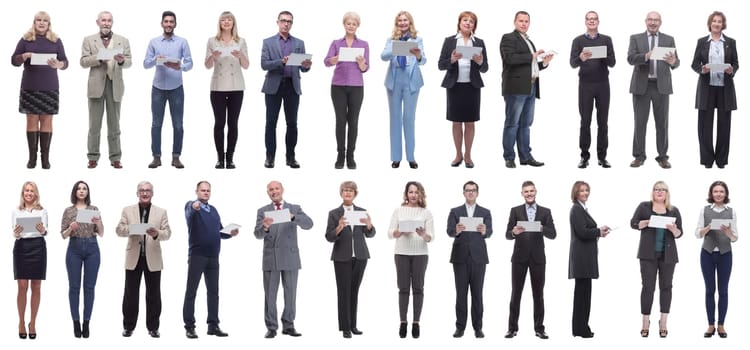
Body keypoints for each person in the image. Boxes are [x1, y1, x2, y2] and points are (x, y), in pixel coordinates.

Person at [254, 181, 313, 339]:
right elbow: (257, 234)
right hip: (271, 257)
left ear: (282, 190)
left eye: (276, 188)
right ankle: (271, 326)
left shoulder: (294, 208)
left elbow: (309, 224)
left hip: (290, 256)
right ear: (268, 193)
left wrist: (294, 217)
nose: (274, 191)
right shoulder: (263, 211)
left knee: (290, 293)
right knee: (270, 295)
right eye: (271, 190)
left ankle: (289, 324)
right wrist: (265, 227)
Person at [115, 181, 172, 338]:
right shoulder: (127, 210)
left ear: (152, 193)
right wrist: (133, 228)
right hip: (134, 257)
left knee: (154, 294)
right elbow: (119, 230)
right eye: (142, 190)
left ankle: (153, 327)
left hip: (152, 257)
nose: (145, 193)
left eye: (148, 190)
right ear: (137, 193)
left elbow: (167, 233)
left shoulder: (161, 212)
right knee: (130, 294)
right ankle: (128, 326)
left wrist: (156, 233)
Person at [12, 11, 68, 170]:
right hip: (30, 85)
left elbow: (65, 61)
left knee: (47, 120)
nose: (41, 23)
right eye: (38, 20)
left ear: (49, 24)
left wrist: (59, 65)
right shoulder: (26, 39)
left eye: (45, 21)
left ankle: (45, 158)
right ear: (34, 22)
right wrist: (24, 56)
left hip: (49, 86)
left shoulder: (56, 41)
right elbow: (13, 60)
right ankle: (32, 158)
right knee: (31, 119)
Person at [182, 181, 239, 339]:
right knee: (191, 291)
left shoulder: (213, 210)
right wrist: (194, 206)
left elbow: (219, 231)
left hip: (214, 256)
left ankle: (213, 325)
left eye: (208, 190)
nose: (206, 193)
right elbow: (190, 211)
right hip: (197, 256)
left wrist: (230, 233)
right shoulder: (191, 205)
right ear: (197, 191)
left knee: (213, 292)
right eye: (203, 190)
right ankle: (189, 326)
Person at [500, 11, 553, 169]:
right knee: (512, 124)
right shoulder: (508, 38)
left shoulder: (529, 41)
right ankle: (509, 157)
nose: (524, 24)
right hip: (515, 88)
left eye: (526, 21)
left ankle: (526, 157)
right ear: (515, 22)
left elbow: (530, 66)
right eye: (521, 21)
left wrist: (544, 63)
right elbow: (509, 58)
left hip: (531, 86)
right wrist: (532, 56)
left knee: (526, 124)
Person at [630, 180, 683, 338]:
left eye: (663, 190)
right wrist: (643, 223)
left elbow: (680, 233)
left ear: (667, 193)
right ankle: (645, 321)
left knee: (666, 287)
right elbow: (633, 223)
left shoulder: (673, 210)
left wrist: (674, 230)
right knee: (648, 287)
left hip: (668, 256)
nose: (659, 192)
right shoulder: (644, 206)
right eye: (656, 189)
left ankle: (663, 321)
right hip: (648, 255)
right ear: (653, 192)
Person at [627, 11, 679, 169]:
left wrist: (673, 61)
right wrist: (645, 56)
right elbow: (630, 58)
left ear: (660, 22)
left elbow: (676, 62)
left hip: (661, 86)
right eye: (650, 19)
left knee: (662, 123)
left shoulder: (668, 39)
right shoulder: (635, 38)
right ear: (645, 21)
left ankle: (662, 157)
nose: (653, 22)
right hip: (641, 86)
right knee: (640, 123)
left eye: (656, 20)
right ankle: (639, 156)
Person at [504, 181, 556, 339]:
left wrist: (541, 228)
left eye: (531, 191)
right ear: (522, 194)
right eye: (526, 191)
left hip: (538, 259)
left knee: (538, 295)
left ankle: (539, 328)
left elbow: (553, 234)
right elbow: (507, 234)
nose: (529, 193)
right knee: (516, 294)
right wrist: (513, 232)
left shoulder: (545, 212)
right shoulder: (515, 211)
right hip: (519, 258)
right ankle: (512, 328)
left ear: (536, 192)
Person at [80, 11, 132, 169]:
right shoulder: (89, 40)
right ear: (97, 22)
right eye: (103, 20)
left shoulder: (123, 40)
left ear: (112, 22)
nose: (106, 23)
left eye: (109, 20)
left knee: (114, 124)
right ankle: (92, 157)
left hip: (115, 85)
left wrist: (122, 61)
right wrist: (99, 58)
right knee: (94, 125)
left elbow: (129, 61)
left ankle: (115, 157)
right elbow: (83, 62)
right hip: (96, 86)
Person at [261, 10, 312, 169]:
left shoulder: (299, 43)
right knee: (271, 123)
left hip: (292, 85)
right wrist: (281, 62)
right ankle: (270, 157)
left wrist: (306, 66)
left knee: (292, 123)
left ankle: (291, 157)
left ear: (292, 24)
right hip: (273, 86)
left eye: (289, 21)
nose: (286, 24)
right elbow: (264, 65)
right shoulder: (268, 42)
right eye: (283, 20)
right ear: (277, 22)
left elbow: (303, 68)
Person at [325, 181, 376, 338]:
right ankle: (345, 327)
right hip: (342, 257)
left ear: (355, 194)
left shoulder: (361, 211)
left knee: (354, 291)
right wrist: (339, 227)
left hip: (360, 256)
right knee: (344, 291)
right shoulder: (334, 213)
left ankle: (353, 325)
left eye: (351, 191)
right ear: (341, 193)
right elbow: (329, 237)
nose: (348, 193)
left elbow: (371, 234)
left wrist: (369, 225)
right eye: (345, 190)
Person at [438, 11, 488, 169]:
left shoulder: (479, 42)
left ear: (474, 25)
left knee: (470, 121)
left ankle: (468, 155)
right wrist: (452, 60)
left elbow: (486, 68)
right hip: (455, 86)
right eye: (465, 20)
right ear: (459, 23)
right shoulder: (450, 41)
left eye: (471, 21)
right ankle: (458, 154)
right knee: (456, 122)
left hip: (472, 86)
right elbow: (440, 64)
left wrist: (480, 61)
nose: (468, 23)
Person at [144, 10, 193, 169]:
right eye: (166, 21)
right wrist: (155, 60)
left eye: (171, 22)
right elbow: (145, 64)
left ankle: (176, 157)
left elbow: (190, 63)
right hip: (158, 88)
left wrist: (181, 66)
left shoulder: (182, 42)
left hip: (176, 88)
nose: (169, 24)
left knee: (178, 124)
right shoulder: (154, 42)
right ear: (162, 24)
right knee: (156, 124)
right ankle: (156, 157)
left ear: (175, 24)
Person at [691, 11, 739, 169]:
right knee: (705, 126)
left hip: (725, 89)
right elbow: (694, 63)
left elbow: (736, 63)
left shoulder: (731, 42)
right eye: (714, 21)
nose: (717, 24)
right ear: (710, 24)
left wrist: (731, 70)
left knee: (724, 126)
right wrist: (702, 69)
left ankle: (721, 161)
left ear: (723, 24)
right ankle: (707, 160)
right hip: (707, 88)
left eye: (720, 21)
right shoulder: (702, 42)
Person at [387, 181, 434, 338]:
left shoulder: (426, 213)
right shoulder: (398, 210)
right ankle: (403, 322)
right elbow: (389, 232)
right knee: (403, 288)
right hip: (401, 253)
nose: (413, 195)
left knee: (418, 288)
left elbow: (431, 237)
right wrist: (399, 231)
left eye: (416, 192)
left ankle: (416, 323)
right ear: (406, 194)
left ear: (421, 194)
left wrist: (423, 235)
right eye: (411, 192)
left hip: (420, 254)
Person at [569, 11, 615, 169]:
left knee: (603, 122)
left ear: (598, 21)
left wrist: (602, 55)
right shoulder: (578, 40)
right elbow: (572, 63)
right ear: (585, 22)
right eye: (589, 19)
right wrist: (581, 58)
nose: (592, 21)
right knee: (585, 122)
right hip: (586, 85)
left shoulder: (606, 40)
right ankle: (584, 157)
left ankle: (602, 157)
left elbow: (613, 62)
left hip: (603, 84)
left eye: (594, 19)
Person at [447, 180, 492, 338]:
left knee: (477, 294)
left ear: (477, 193)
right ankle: (460, 327)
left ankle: (478, 327)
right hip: (460, 257)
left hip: (478, 257)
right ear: (464, 193)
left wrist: (485, 231)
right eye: (467, 190)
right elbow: (449, 230)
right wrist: (456, 230)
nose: (470, 192)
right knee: (461, 293)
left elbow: (490, 231)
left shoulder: (485, 212)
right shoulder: (455, 211)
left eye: (473, 190)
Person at [325, 12, 370, 170]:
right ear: (344, 25)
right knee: (340, 120)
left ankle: (351, 155)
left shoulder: (363, 44)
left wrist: (361, 63)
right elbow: (326, 62)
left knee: (353, 120)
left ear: (358, 26)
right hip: (338, 86)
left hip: (357, 86)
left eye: (354, 24)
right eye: (348, 23)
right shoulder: (336, 43)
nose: (351, 26)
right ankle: (340, 154)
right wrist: (335, 59)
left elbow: (365, 68)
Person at [381, 11, 425, 169]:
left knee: (408, 118)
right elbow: (383, 56)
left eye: (405, 20)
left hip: (411, 81)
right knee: (395, 119)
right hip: (395, 81)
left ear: (410, 22)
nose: (403, 23)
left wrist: (419, 55)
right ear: (396, 23)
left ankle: (411, 157)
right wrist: (396, 48)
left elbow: (423, 60)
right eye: (400, 20)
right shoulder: (391, 39)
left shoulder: (417, 39)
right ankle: (396, 157)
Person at [60, 180, 104, 338]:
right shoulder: (68, 211)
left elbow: (101, 233)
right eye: (79, 188)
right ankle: (75, 322)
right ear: (75, 192)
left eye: (84, 188)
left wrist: (98, 222)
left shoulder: (94, 209)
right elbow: (63, 235)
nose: (81, 191)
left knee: (90, 287)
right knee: (74, 287)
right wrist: (70, 229)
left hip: (92, 247)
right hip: (74, 248)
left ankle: (87, 322)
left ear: (87, 192)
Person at [206, 11, 249, 169]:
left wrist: (239, 55)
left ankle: (230, 158)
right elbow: (207, 65)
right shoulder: (212, 41)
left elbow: (246, 65)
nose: (226, 22)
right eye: (223, 19)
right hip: (217, 87)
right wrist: (213, 56)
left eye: (229, 19)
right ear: (219, 23)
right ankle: (219, 158)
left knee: (233, 123)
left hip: (236, 86)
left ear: (233, 23)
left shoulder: (241, 41)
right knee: (219, 123)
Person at [695, 181, 738, 338]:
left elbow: (735, 238)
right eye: (715, 191)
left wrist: (729, 233)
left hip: (725, 254)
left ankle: (721, 325)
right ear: (711, 194)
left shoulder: (731, 212)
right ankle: (710, 325)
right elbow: (697, 233)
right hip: (707, 253)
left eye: (721, 191)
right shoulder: (704, 210)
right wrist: (706, 229)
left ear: (725, 194)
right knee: (709, 290)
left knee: (724, 291)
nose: (718, 194)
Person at [568, 181, 610, 338]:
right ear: (576, 193)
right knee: (582, 295)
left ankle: (580, 328)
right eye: (581, 191)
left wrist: (599, 232)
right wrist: (598, 231)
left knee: (583, 294)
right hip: (581, 258)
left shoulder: (581, 208)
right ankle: (581, 329)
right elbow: (582, 232)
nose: (585, 193)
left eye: (587, 190)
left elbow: (587, 231)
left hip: (584, 256)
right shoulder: (577, 209)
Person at [12, 181, 48, 340]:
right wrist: (17, 233)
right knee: (22, 286)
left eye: (31, 190)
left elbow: (46, 230)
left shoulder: (43, 210)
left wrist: (42, 230)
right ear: (23, 193)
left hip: (38, 247)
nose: (28, 193)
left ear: (35, 194)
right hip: (22, 247)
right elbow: (14, 232)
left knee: (36, 286)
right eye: (26, 190)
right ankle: (21, 322)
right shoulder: (16, 211)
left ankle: (32, 323)